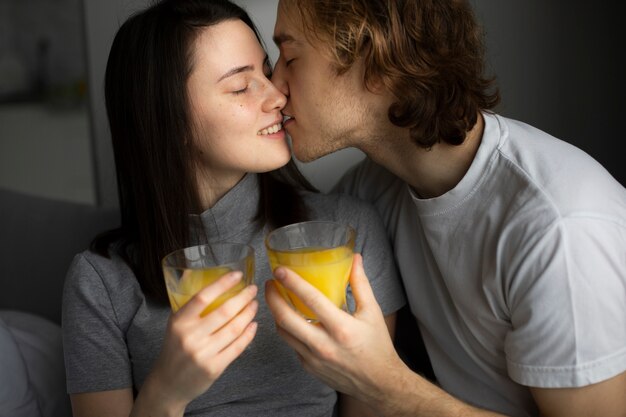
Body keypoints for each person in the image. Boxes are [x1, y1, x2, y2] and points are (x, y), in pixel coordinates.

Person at [264, 1, 626, 416]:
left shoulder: (559, 228)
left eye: (290, 57)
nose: (274, 86)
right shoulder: (373, 192)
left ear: (378, 64)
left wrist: (385, 385)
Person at [61, 1, 406, 416]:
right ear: (168, 120)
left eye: (266, 70)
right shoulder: (100, 282)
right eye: (241, 87)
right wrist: (166, 392)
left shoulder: (347, 232)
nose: (277, 94)